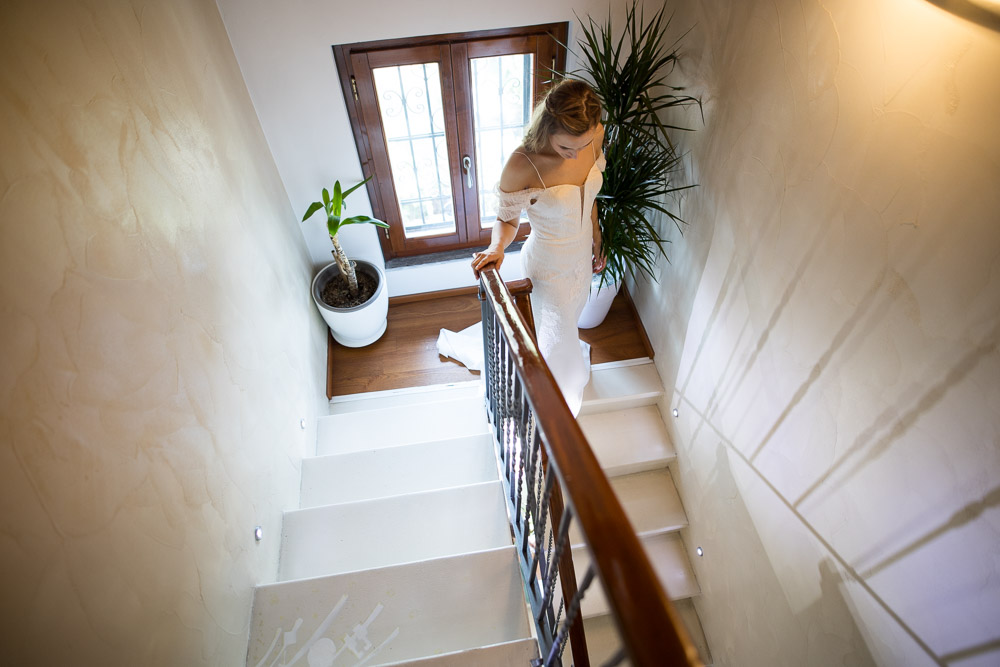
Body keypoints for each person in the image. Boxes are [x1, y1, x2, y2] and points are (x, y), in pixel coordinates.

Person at [470, 78, 606, 415]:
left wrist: (597, 236)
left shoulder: (596, 133)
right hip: (548, 268)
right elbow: (508, 219)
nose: (576, 155)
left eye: (582, 145)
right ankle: (559, 416)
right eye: (565, 149)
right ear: (548, 126)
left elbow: (590, 196)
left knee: (564, 331)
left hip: (580, 259)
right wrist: (498, 247)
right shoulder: (522, 163)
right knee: (568, 366)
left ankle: (551, 372)